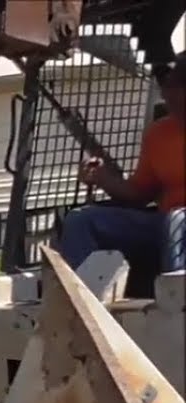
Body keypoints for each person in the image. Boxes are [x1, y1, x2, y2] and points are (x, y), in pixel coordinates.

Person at [58, 51, 185, 276]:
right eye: (167, 87)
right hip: (165, 224)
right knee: (81, 221)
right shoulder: (159, 135)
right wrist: (101, 177)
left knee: (176, 221)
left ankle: (175, 303)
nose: (167, 95)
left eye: (177, 87)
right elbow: (139, 194)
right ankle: (78, 301)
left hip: (176, 224)